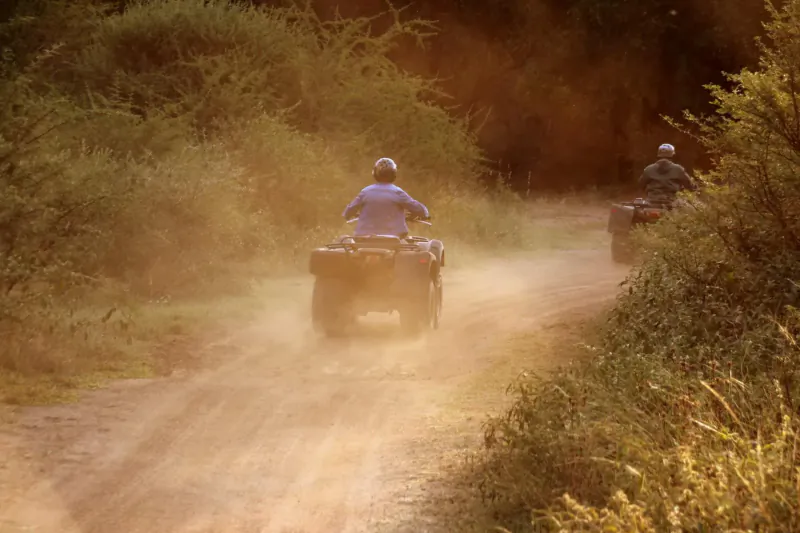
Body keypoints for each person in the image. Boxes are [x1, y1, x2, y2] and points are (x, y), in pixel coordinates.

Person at [342, 157, 429, 237]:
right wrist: (424, 214)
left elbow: (348, 211)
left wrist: (351, 215)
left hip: (363, 239)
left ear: (375, 173)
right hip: (393, 240)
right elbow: (419, 209)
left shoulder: (365, 192)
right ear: (394, 174)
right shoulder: (397, 192)